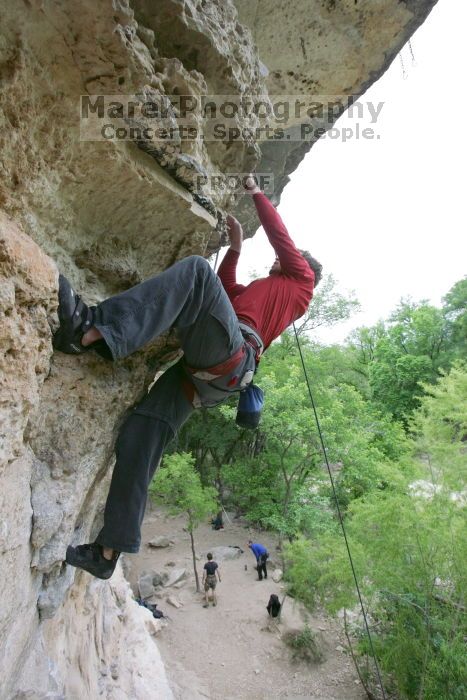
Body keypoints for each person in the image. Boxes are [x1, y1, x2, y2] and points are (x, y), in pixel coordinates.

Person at [57, 174, 322, 580]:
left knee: (199, 271)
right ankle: (108, 552)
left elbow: (280, 240)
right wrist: (234, 249)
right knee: (142, 433)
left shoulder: (300, 283)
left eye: (294, 259)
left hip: (231, 359)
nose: (284, 258)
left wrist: (256, 194)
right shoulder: (265, 288)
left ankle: (91, 329)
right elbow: (228, 292)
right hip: (212, 375)